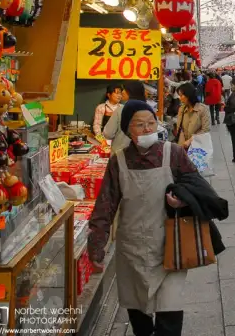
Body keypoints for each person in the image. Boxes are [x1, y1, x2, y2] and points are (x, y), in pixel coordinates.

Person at [88, 101, 198, 336]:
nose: (148, 129)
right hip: (132, 250)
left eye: (151, 123)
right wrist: (96, 245)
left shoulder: (174, 153)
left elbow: (199, 189)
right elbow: (105, 206)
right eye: (140, 125)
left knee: (170, 318)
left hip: (170, 248)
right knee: (140, 320)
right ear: (128, 130)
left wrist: (183, 200)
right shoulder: (118, 161)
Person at [104, 81, 147, 153]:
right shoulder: (148, 110)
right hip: (141, 154)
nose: (122, 92)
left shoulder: (120, 110)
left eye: (125, 89)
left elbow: (108, 133)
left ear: (131, 92)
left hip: (120, 154)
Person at [175, 83, 210, 149]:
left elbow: (205, 129)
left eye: (182, 95)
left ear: (189, 95)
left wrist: (191, 140)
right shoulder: (181, 109)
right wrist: (182, 144)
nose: (180, 98)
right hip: (183, 146)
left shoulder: (202, 109)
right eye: (179, 95)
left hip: (198, 147)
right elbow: (179, 128)